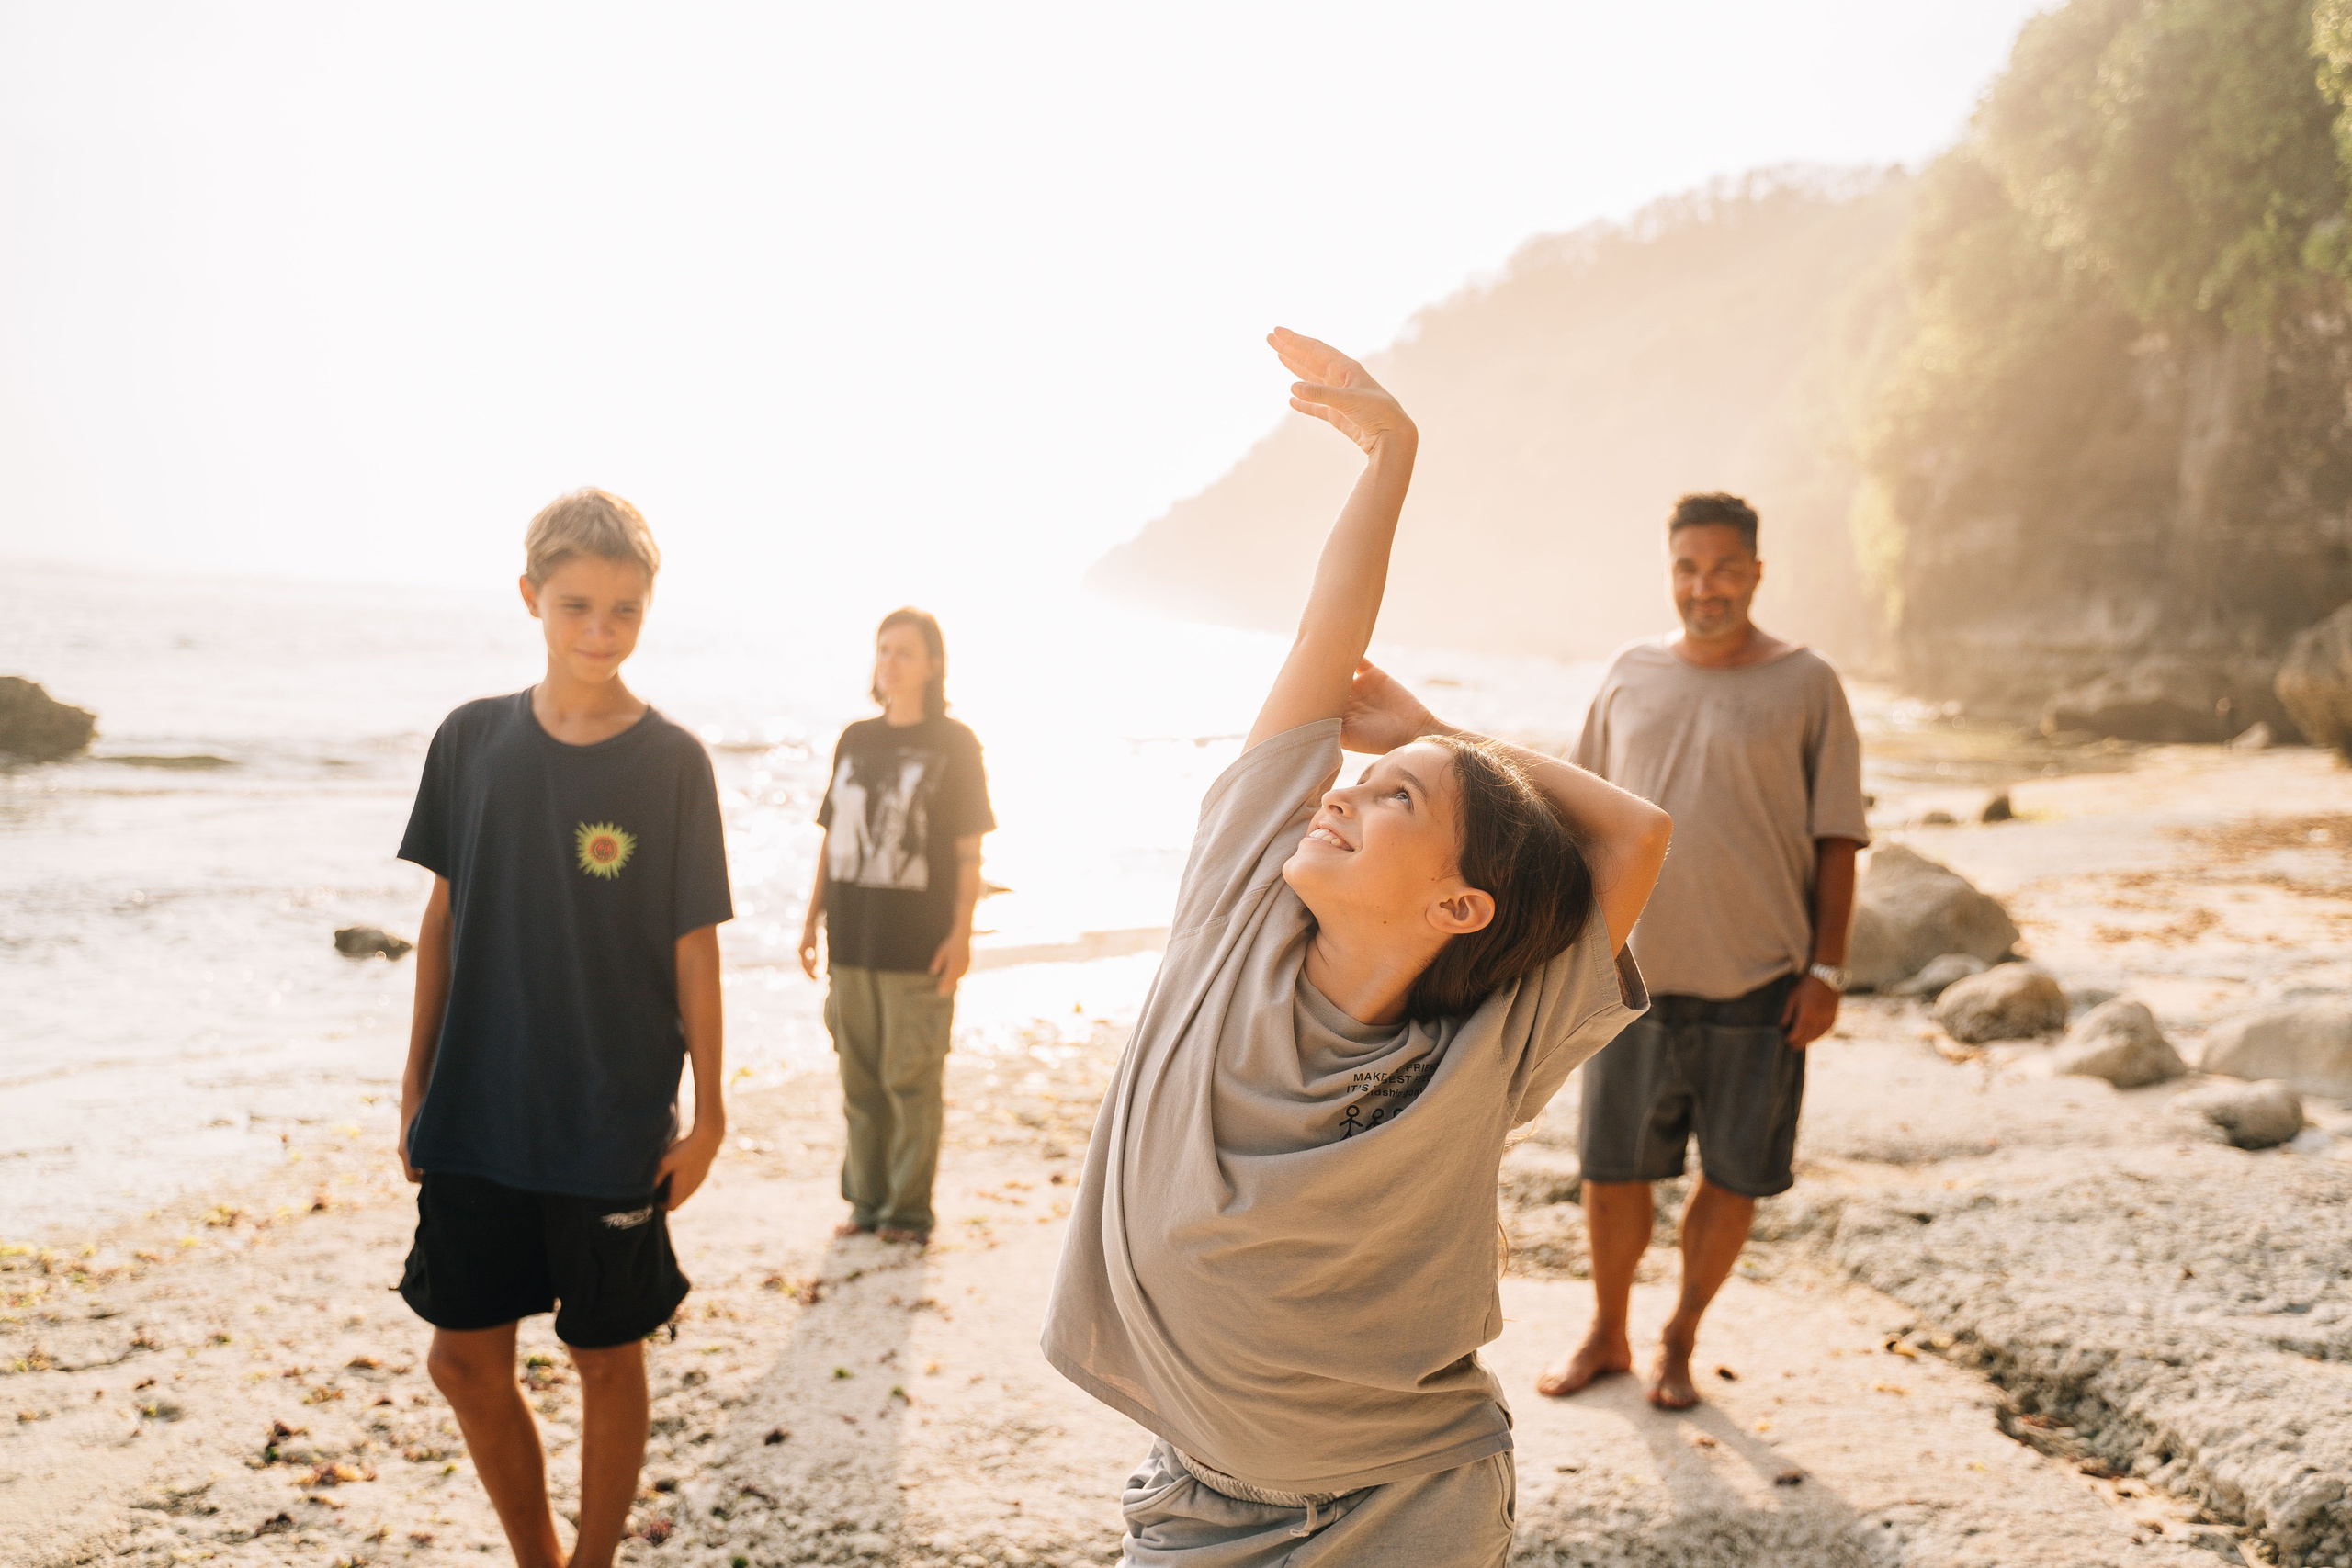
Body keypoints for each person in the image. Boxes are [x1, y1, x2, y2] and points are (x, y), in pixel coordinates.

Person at [1042, 331, 1672, 1567]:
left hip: (1408, 1508)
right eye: (1358, 777)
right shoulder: (1237, 908)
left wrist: (1442, 729)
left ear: (1461, 907)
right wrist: (1389, 456)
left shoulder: (1493, 1036)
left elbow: (1636, 831)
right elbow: (1328, 635)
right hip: (1204, 1507)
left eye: (1395, 800)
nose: (1340, 793)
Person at [394, 489, 732, 1568]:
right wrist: (413, 1087)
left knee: (604, 1354)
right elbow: (442, 916)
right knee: (462, 1362)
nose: (600, 631)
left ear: (647, 610)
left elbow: (694, 945)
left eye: (625, 610)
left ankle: (592, 1565)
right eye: (578, 605)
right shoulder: (470, 739)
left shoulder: (671, 761)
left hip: (607, 1112)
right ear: (531, 596)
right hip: (475, 1106)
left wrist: (712, 1113)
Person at [1536, 491, 1868, 1412]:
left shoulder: (1808, 684)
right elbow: (1578, 814)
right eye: (1687, 568)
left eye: (1723, 569)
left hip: (1760, 982)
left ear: (1756, 573)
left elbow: (1838, 837)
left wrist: (1826, 972)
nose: (1703, 587)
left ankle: (1679, 1338)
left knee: (1732, 1172)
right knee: (1611, 1172)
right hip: (1627, 977)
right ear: (1669, 571)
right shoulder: (1630, 673)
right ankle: (1608, 1332)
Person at [797, 608, 994, 1246]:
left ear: (934, 664)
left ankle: (907, 1212)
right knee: (859, 1080)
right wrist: (810, 921)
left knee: (910, 1081)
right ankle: (867, 1201)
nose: (890, 661)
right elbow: (832, 841)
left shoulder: (956, 742)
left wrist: (962, 931)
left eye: (905, 651)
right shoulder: (855, 738)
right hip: (851, 939)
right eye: (883, 649)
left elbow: (969, 850)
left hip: (919, 944)